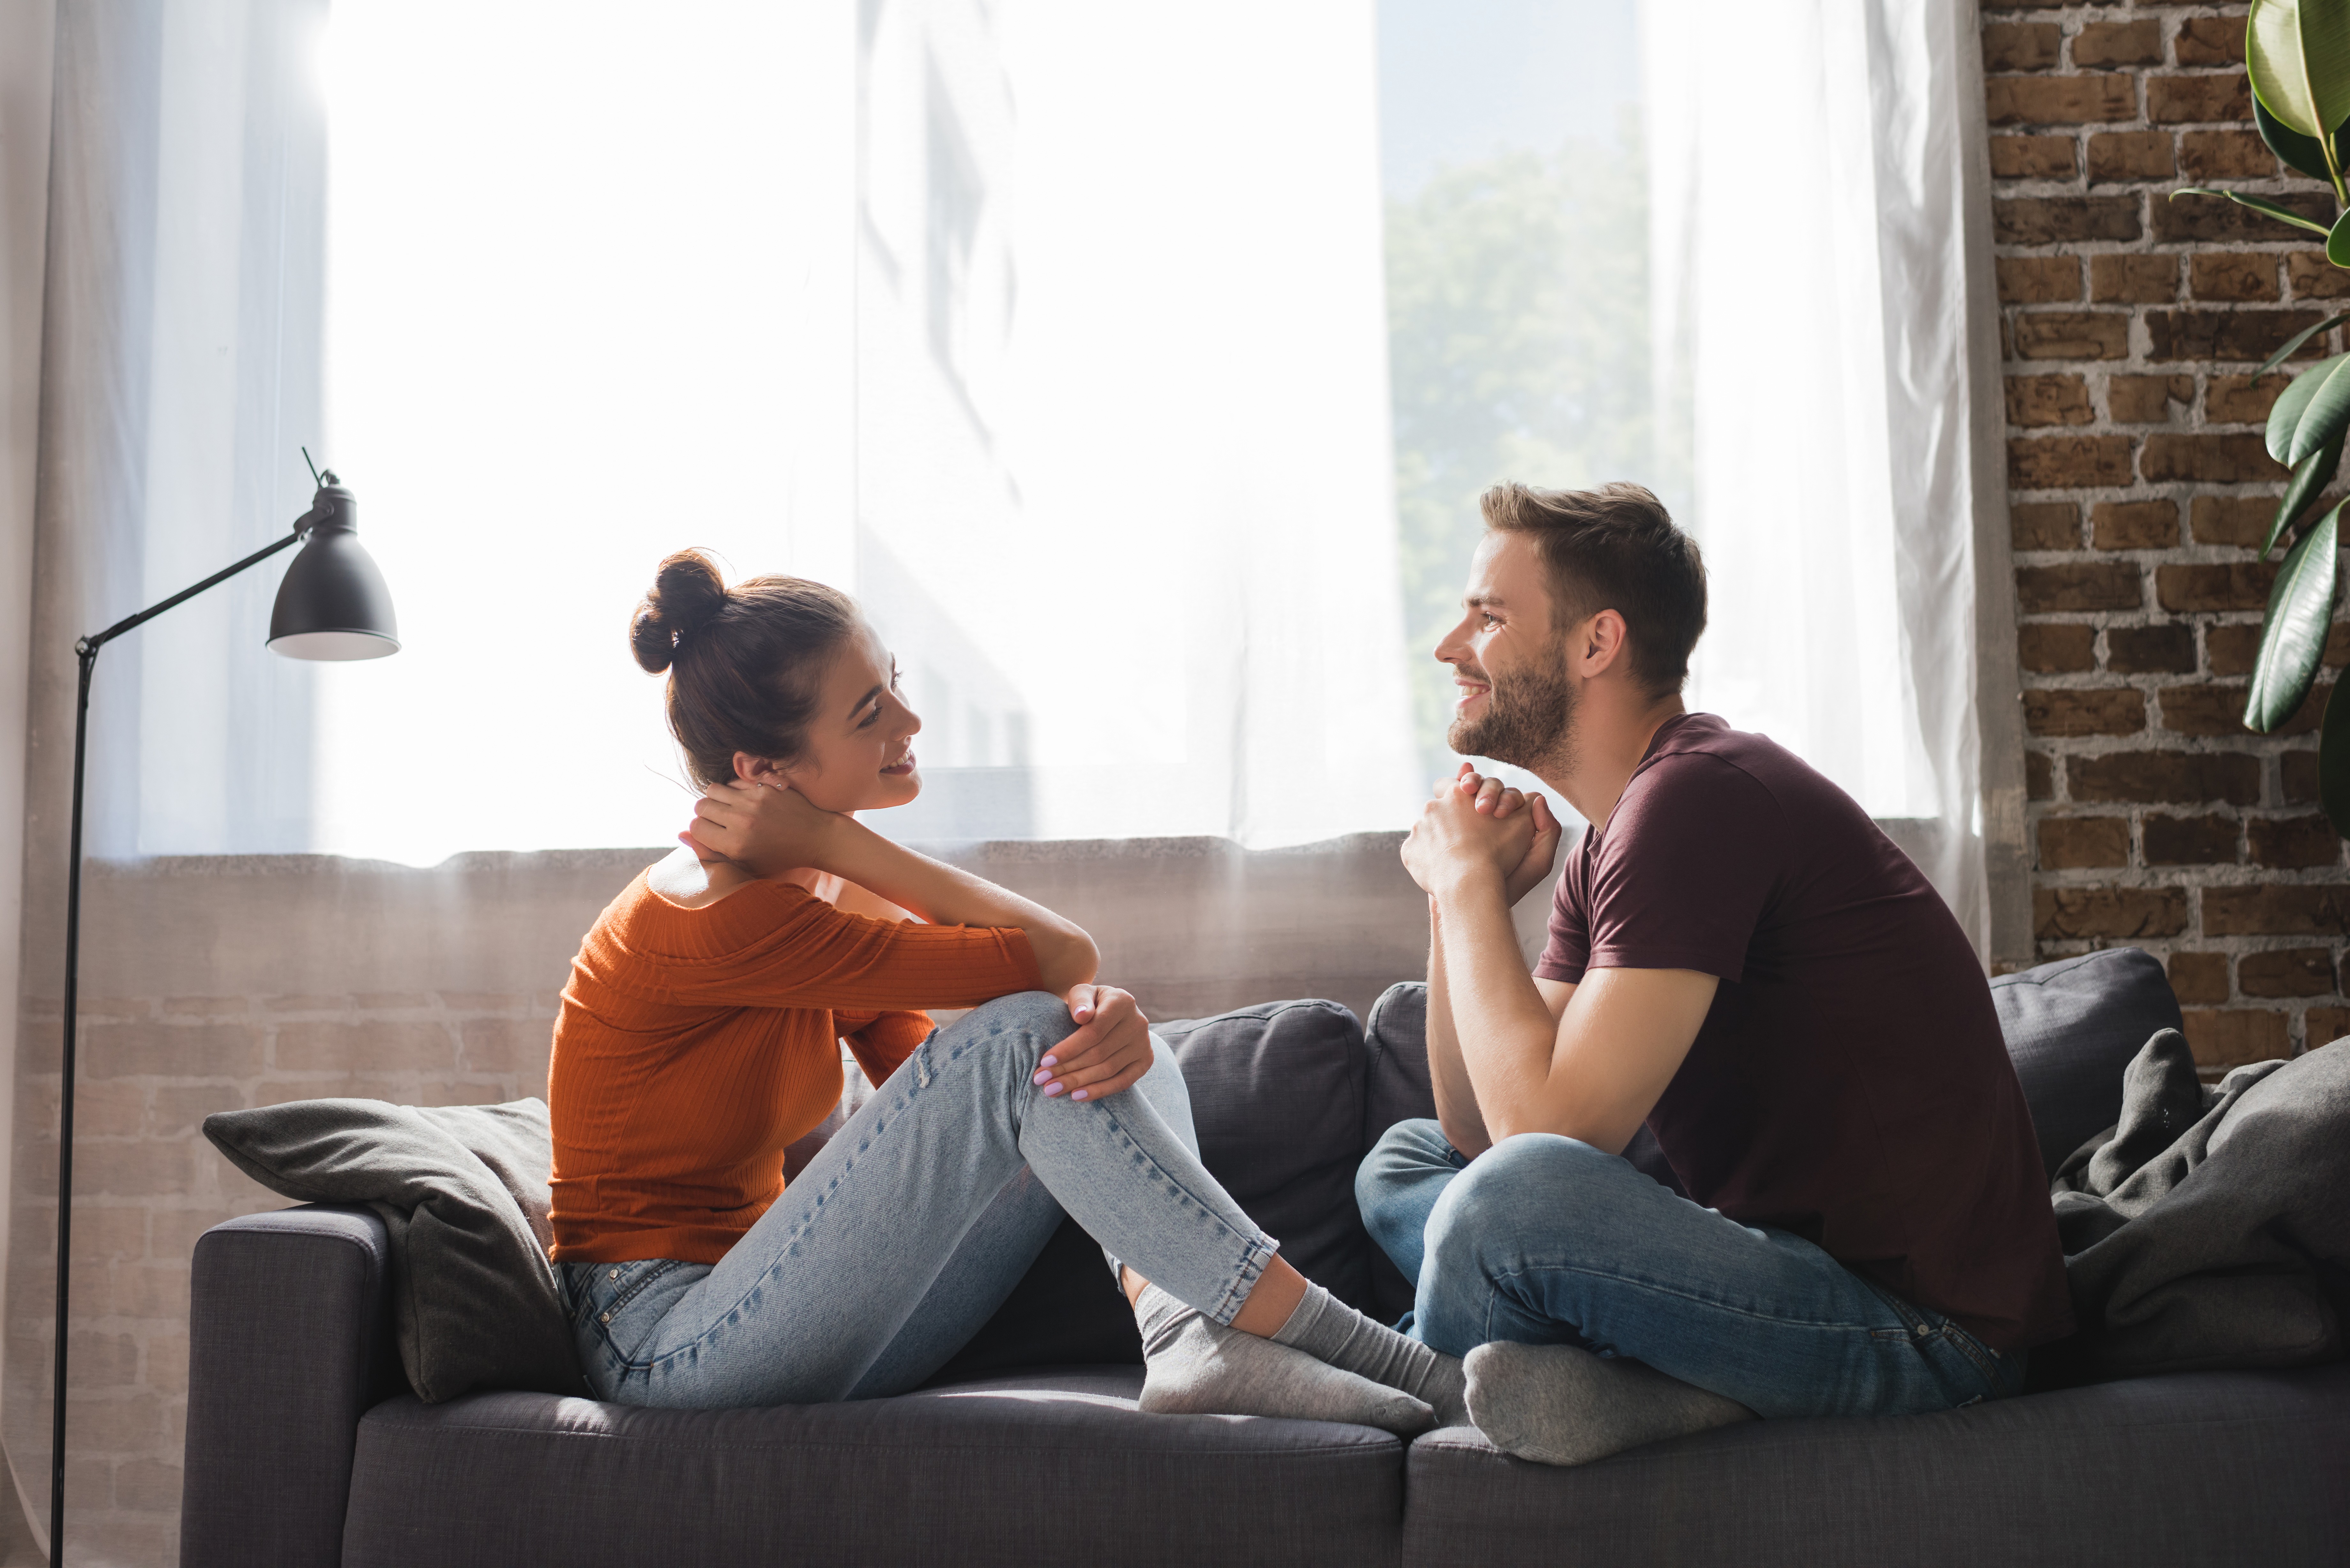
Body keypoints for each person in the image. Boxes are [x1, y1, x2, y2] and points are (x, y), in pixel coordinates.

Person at [546, 549, 1467, 1431]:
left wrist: (1088, 1041)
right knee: (1040, 1026)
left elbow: (951, 1075)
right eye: (870, 713)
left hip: (774, 1304)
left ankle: (1187, 1336)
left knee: (1091, 1032)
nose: (910, 722)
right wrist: (837, 841)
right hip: (662, 1344)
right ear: (764, 774)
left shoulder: (807, 900)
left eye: (897, 682)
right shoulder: (723, 916)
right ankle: (1410, 1369)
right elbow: (1058, 954)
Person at [1357, 481, 2072, 1466]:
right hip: (1783, 1277)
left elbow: (1545, 1144)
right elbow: (1476, 1131)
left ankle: (1392, 1375)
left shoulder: (1698, 796)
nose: (1450, 646)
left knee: (1502, 1209)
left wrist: (1471, 885)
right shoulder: (1616, 839)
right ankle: (1643, 1386)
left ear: (1596, 643)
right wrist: (1453, 896)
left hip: (1929, 1336)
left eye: (1488, 616)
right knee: (1406, 1161)